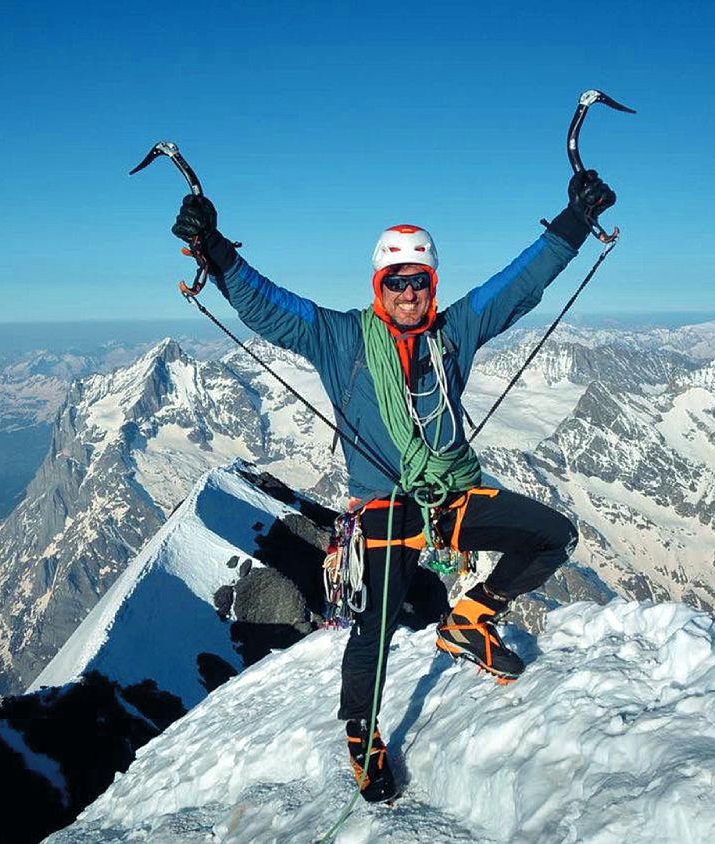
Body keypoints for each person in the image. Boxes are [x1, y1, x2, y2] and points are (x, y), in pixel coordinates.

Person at [171, 170, 616, 802]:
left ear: (432, 285)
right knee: (375, 628)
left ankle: (472, 618)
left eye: (419, 282)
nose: (408, 293)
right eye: (396, 283)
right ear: (379, 286)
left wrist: (574, 222)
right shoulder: (340, 338)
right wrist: (214, 250)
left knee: (551, 537)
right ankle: (361, 730)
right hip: (384, 509)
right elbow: (267, 304)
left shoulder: (452, 333)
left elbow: (518, 286)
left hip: (451, 494)